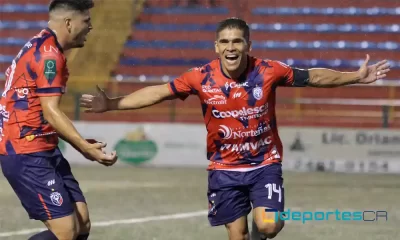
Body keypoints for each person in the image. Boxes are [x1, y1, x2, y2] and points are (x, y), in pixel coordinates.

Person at [80, 18, 390, 240]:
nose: (231, 47)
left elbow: (313, 77)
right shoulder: (199, 77)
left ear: (247, 45)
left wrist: (354, 77)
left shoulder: (269, 70)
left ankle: (263, 228)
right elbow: (159, 92)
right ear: (216, 46)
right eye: (225, 42)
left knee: (268, 225)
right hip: (223, 169)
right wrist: (112, 104)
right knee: (236, 234)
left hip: (264, 164)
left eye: (237, 41)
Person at [0, 1, 118, 240]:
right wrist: (84, 148)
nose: (91, 26)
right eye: (86, 21)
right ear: (69, 23)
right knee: (66, 232)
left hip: (42, 147)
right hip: (25, 151)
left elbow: (46, 114)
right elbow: (51, 112)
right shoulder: (49, 55)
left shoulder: (44, 46)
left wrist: (82, 144)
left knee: (82, 223)